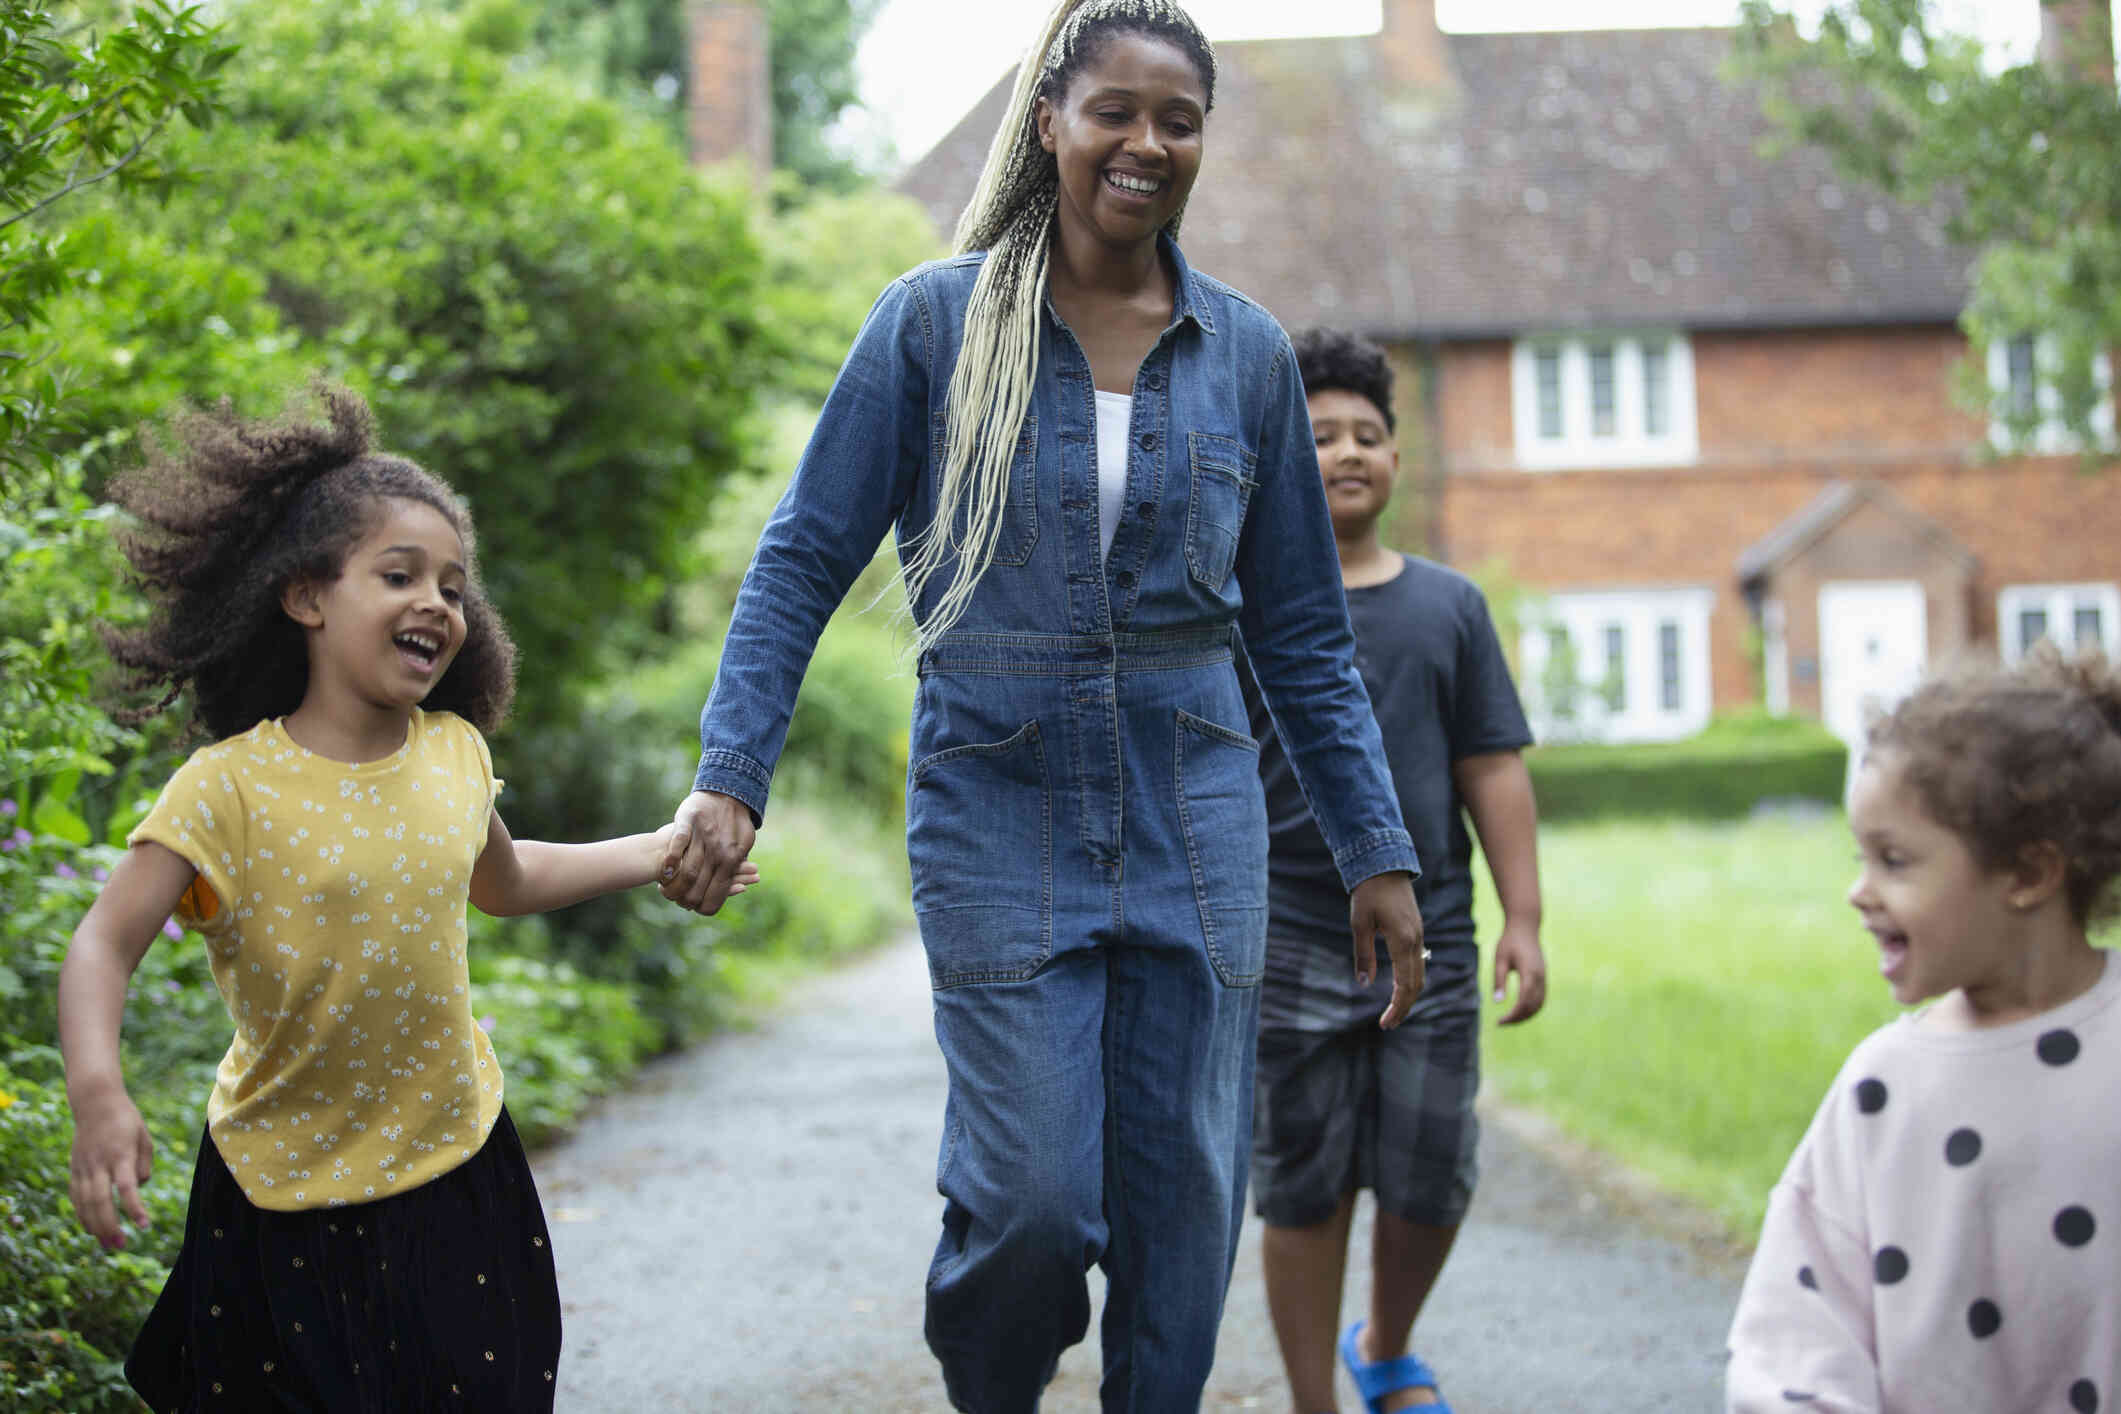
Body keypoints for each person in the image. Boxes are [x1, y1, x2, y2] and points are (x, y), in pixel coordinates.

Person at [657, 2, 1427, 1407]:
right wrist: (732, 770)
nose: (1146, 143)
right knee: (1028, 1206)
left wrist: (1378, 854)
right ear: (1049, 125)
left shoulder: (1246, 358)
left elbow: (1305, 639)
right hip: (996, 806)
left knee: (1183, 1208)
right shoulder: (933, 328)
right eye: (1116, 112)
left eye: (1178, 119)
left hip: (1198, 814)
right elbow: (799, 560)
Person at [57, 384, 752, 1412]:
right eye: (400, 575)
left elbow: (506, 883)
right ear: (307, 597)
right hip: (275, 1192)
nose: (437, 602)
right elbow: (102, 947)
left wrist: (656, 850)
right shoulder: (228, 788)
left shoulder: (455, 754)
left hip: (454, 1169)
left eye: (454, 587)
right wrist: (98, 1094)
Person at [1238, 329, 1545, 1414]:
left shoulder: (1448, 606)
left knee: (1428, 1171)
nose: (1346, 451)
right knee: (1302, 1185)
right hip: (1282, 939)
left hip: (1437, 940)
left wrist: (1526, 918)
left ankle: (1388, 1343)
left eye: (1368, 434)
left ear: (1399, 462)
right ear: (1280, 459)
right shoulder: (1244, 608)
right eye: (1318, 435)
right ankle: (1315, 1395)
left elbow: (1492, 769)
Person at [1725, 645, 2121, 1412]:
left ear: (2030, 874)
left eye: (1894, 860)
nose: (1857, 892)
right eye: (1859, 856)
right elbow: (1796, 1334)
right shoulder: (1884, 1087)